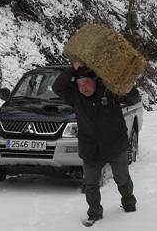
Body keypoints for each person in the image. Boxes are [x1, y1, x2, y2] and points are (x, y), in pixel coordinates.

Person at [52, 61, 140, 226]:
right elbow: (57, 87)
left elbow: (133, 97)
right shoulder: (75, 96)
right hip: (90, 147)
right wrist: (73, 69)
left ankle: (129, 203)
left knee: (122, 177)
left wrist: (129, 89)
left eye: (86, 82)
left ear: (95, 80)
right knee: (90, 183)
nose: (83, 87)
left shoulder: (108, 89)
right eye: (79, 84)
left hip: (115, 144)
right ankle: (94, 212)